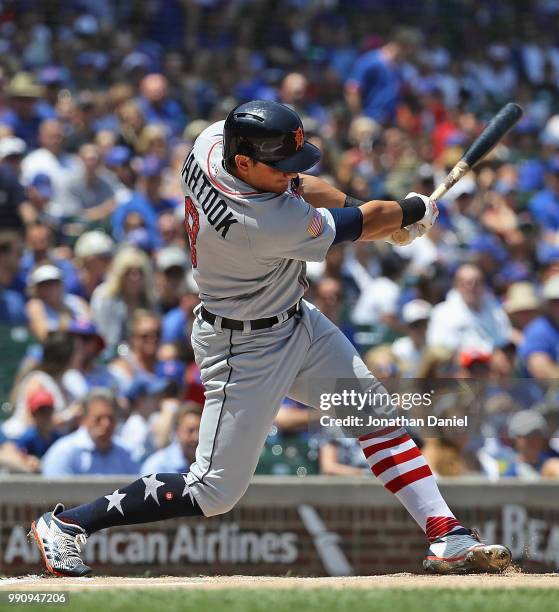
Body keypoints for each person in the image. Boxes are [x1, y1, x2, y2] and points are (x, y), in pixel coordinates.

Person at [30, 100, 510, 577]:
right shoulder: (260, 221)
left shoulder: (211, 143)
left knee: (373, 413)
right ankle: (68, 524)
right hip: (243, 348)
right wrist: (410, 212)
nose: (288, 174)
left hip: (295, 319)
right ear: (244, 163)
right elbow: (363, 223)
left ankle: (446, 533)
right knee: (213, 492)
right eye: (277, 166)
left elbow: (307, 188)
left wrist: (383, 221)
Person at [41, 388, 139, 477]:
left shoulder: (127, 454)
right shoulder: (64, 453)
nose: (106, 424)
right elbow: (56, 494)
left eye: (111, 418)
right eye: (98, 419)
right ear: (83, 419)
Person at [140, 402, 202, 474]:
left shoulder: (208, 465)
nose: (196, 437)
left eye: (201, 431)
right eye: (190, 431)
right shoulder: (157, 468)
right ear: (177, 431)